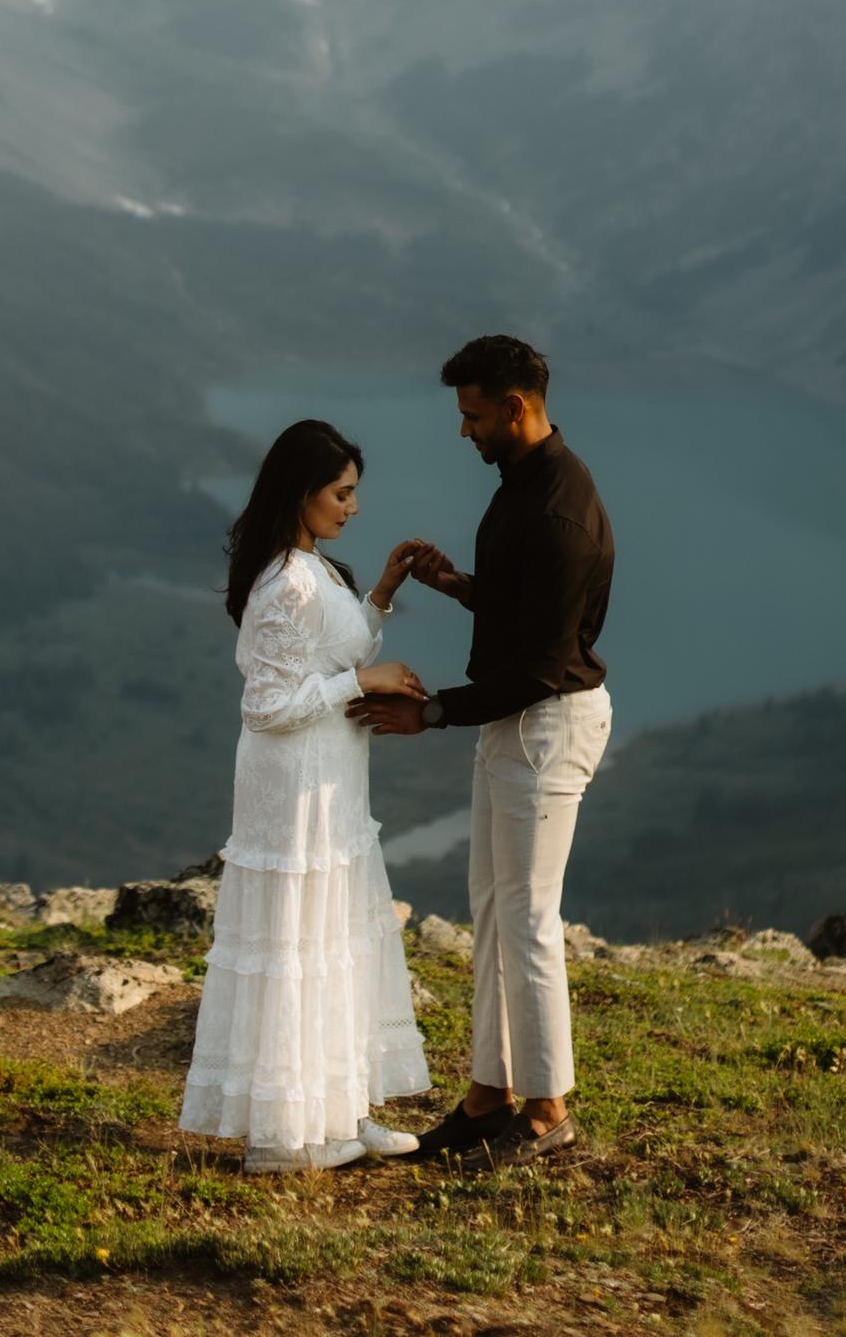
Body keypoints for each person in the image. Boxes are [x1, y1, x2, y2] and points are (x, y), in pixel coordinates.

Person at [349, 335, 614, 1159]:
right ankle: (488, 1094)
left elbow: (539, 666)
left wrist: (428, 716)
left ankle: (548, 1110)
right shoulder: (525, 485)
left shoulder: (559, 512)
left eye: (471, 416)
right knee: (496, 911)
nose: (464, 433)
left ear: (515, 406)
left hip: (546, 723)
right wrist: (455, 583)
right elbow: (521, 611)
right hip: (518, 722)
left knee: (530, 919)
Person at [180, 418, 432, 1172]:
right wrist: (365, 682)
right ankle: (288, 1137)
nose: (352, 508)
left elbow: (336, 647)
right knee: (299, 945)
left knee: (331, 945)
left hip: (331, 785)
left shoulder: (313, 568)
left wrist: (380, 595)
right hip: (293, 793)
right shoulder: (288, 582)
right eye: (341, 494)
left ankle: (338, 1115)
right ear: (302, 494)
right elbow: (266, 705)